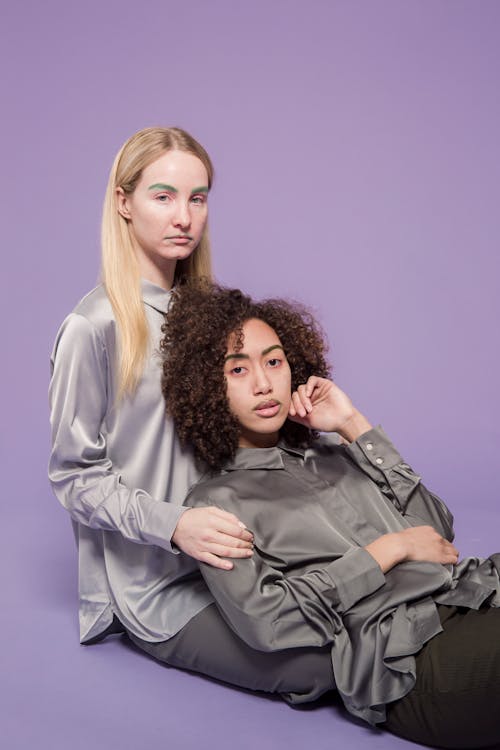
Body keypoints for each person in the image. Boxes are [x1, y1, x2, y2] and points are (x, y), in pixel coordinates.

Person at [49, 127, 336, 699]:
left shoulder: (208, 311)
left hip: (244, 552)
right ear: (124, 203)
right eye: (164, 196)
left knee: (367, 616)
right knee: (321, 667)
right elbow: (74, 477)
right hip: (162, 585)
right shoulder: (94, 327)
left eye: (197, 198)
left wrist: (298, 417)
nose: (184, 216)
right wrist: (174, 525)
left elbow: (227, 432)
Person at [160, 280, 500, 750]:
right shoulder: (216, 504)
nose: (264, 383)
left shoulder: (332, 452)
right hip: (412, 659)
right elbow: (268, 622)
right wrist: (389, 549)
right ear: (206, 388)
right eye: (238, 370)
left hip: (471, 597)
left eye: (274, 362)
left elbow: (439, 535)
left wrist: (352, 424)